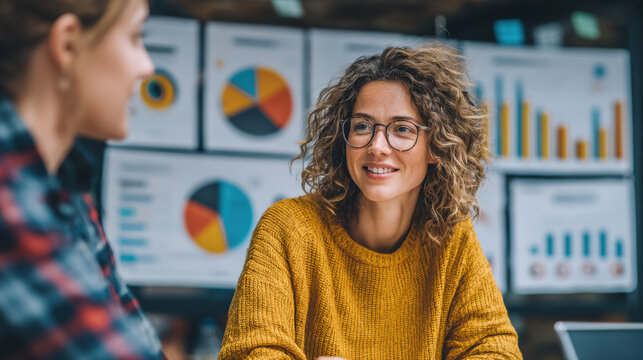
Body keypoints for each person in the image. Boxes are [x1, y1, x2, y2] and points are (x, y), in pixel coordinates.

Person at [219, 43, 522, 359]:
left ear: (437, 146)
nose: (377, 146)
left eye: (402, 129)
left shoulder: (450, 237)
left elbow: (495, 350)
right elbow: (251, 352)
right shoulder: (289, 228)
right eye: (363, 126)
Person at [0, 0, 163, 358]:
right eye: (135, 37)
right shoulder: (10, 201)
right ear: (68, 44)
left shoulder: (66, 187)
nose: (146, 66)